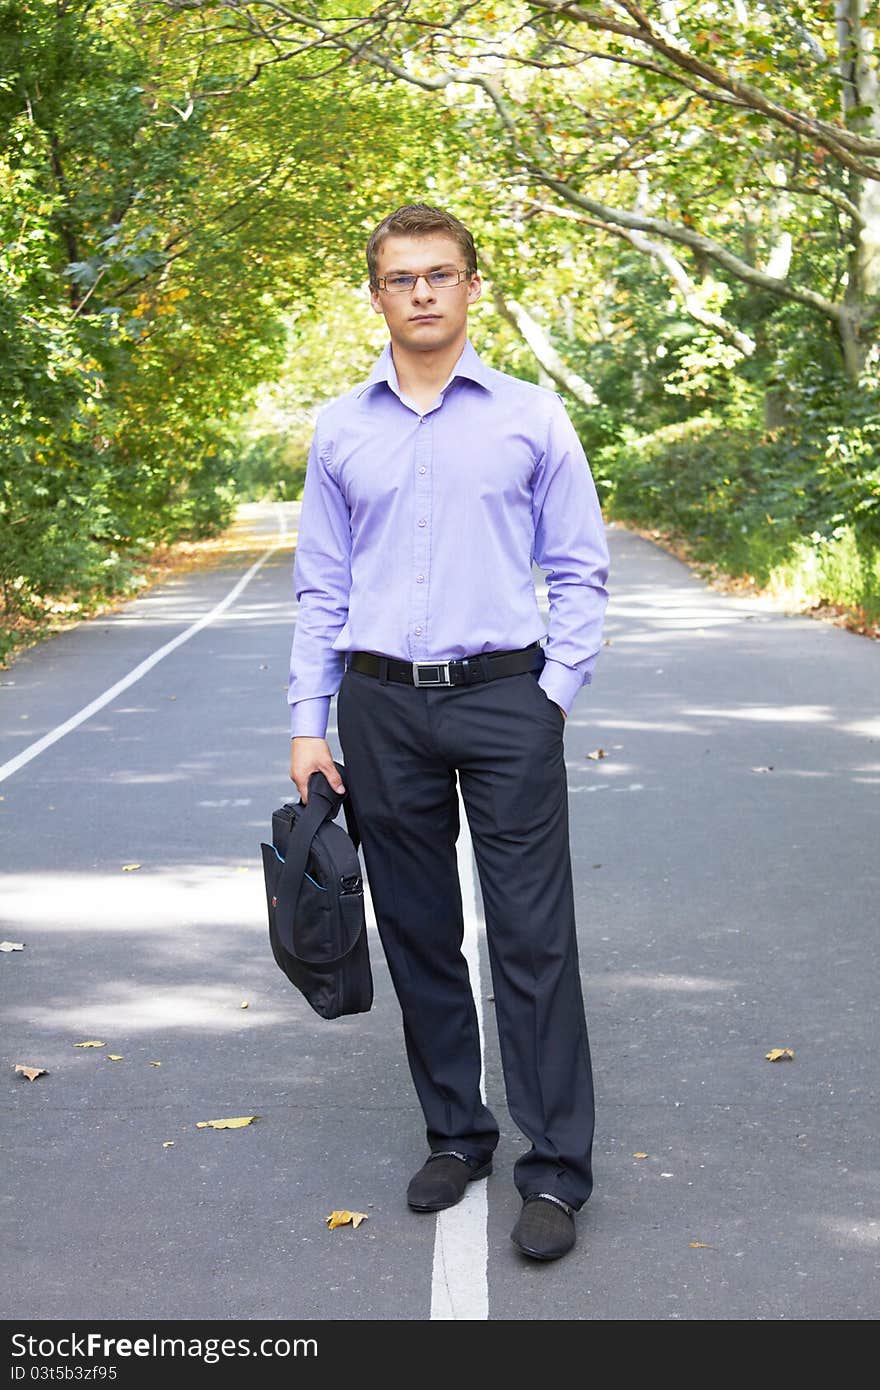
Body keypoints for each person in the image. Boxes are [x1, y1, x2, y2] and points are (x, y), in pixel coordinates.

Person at [287, 203, 610, 1262]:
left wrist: (550, 691)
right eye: (400, 278)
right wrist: (309, 719)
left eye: (440, 274)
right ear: (374, 294)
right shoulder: (341, 428)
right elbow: (321, 585)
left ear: (472, 286)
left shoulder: (529, 416)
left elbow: (578, 569)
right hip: (380, 706)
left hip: (505, 697)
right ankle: (455, 1135)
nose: (421, 292)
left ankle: (554, 1169)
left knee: (530, 936)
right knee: (420, 932)